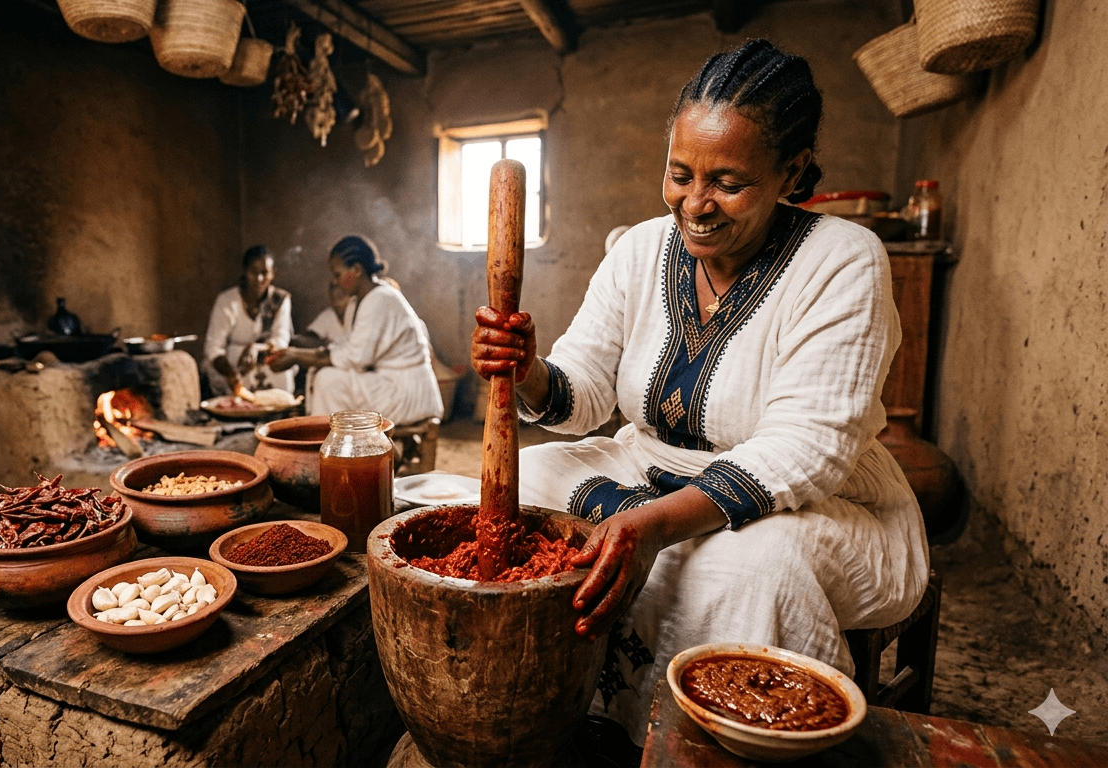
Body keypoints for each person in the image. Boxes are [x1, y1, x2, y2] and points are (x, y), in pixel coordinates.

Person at [471, 40, 928, 741]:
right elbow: (584, 394)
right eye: (679, 174)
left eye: (728, 182)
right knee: (521, 488)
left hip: (810, 502)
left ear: (793, 172)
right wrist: (527, 368)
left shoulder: (844, 260)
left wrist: (652, 526)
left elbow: (806, 450)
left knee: (747, 571)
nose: (695, 204)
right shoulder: (639, 249)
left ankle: (699, 744)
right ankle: (559, 711)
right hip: (645, 465)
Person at [268, 236, 444, 426]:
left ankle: (333, 445)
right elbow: (348, 348)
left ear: (357, 270)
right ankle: (338, 443)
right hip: (389, 383)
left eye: (337, 274)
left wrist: (298, 357)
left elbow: (357, 358)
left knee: (328, 381)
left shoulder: (380, 298)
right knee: (324, 374)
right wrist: (299, 353)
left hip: (406, 392)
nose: (335, 281)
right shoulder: (361, 300)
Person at [203, 245, 295, 397]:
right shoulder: (227, 301)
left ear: (272, 274)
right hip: (232, 364)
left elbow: (281, 339)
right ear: (245, 271)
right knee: (230, 363)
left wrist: (256, 348)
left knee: (282, 368)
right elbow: (213, 348)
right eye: (254, 272)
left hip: (265, 357)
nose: (259, 279)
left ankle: (275, 412)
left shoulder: (280, 300)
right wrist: (231, 375)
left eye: (265, 273)